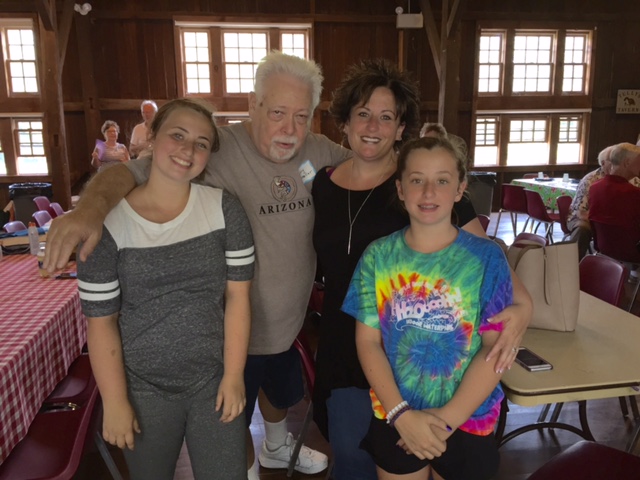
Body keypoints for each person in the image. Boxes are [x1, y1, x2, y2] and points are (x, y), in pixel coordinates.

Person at [45, 51, 349, 479]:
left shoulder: (316, 151)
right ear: (253, 104)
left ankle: (277, 446)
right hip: (228, 337)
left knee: (279, 390)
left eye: (302, 116)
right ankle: (247, 469)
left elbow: (368, 163)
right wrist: (90, 211)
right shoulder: (214, 146)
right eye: (278, 112)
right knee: (233, 417)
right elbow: (134, 172)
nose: (289, 128)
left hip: (287, 322)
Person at [312, 60, 532, 480]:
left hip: (440, 378)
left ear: (400, 128)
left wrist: (524, 306)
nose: (373, 125)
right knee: (354, 463)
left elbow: (490, 266)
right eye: (363, 113)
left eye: (386, 116)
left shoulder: (427, 178)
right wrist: (400, 414)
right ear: (345, 122)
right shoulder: (323, 183)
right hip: (353, 349)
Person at [77, 98, 255, 479]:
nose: (188, 150)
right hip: (142, 389)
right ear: (152, 137)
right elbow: (101, 322)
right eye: (178, 135)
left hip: (213, 380)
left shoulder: (225, 210)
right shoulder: (108, 226)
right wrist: (115, 400)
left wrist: (234, 375)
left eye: (201, 143)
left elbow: (238, 298)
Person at [344, 136, 513, 480]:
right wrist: (401, 415)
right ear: (401, 188)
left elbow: (494, 349)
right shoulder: (378, 256)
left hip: (468, 418)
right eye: (417, 180)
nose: (429, 192)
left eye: (442, 181)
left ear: (460, 189)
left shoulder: (487, 259)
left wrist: (444, 422)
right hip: (397, 415)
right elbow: (368, 342)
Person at [567, 145, 613, 259]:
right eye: (613, 161)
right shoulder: (591, 180)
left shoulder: (631, 178)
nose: (617, 164)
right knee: (582, 228)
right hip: (585, 218)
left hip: (611, 220)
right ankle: (571, 262)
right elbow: (581, 213)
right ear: (603, 163)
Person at [589, 142, 640, 234]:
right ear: (627, 162)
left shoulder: (594, 187)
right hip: (629, 241)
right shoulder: (633, 192)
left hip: (602, 241)